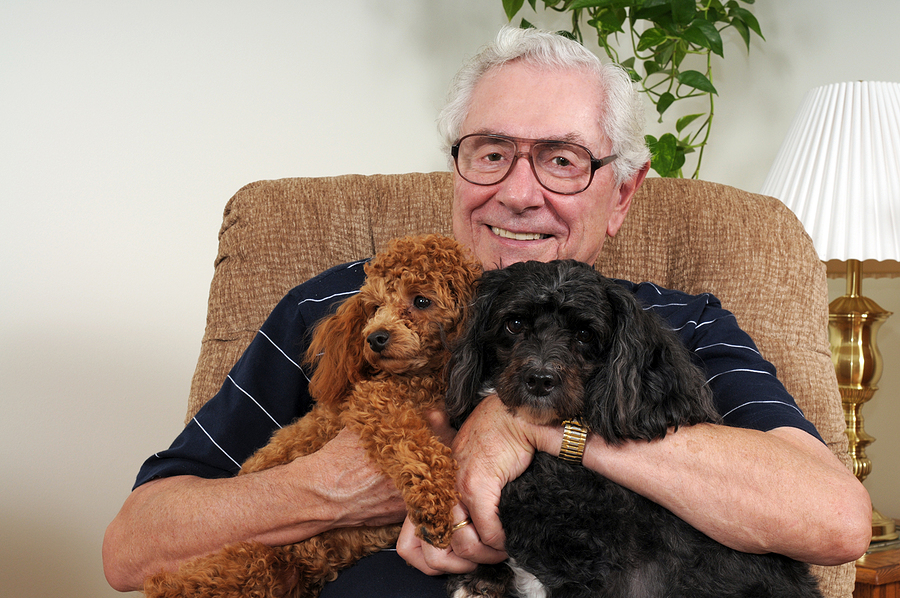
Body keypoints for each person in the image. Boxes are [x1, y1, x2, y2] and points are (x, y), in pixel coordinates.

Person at [103, 27, 871, 596]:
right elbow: (131, 548)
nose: (518, 190)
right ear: (458, 170)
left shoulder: (677, 325)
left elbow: (832, 519)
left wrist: (527, 422)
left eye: (562, 160)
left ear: (623, 196)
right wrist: (325, 488)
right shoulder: (349, 308)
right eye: (490, 151)